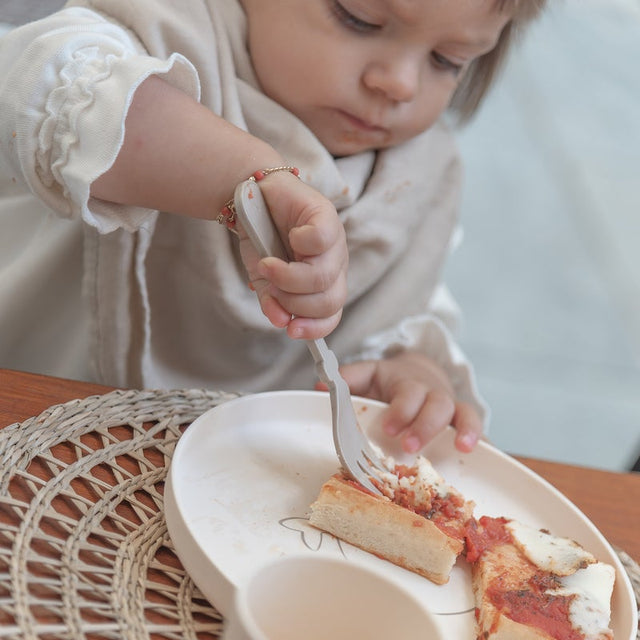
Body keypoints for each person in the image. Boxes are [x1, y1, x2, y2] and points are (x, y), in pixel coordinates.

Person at [0, 0, 547, 454]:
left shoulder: (421, 172)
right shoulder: (162, 33)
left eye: (448, 60)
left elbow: (401, 312)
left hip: (223, 477)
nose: (399, 83)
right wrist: (242, 180)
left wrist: (409, 370)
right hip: (35, 414)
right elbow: (41, 89)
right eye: (359, 19)